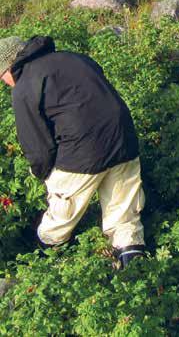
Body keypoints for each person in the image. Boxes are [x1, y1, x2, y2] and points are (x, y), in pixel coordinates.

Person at [0, 35, 146, 269]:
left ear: (9, 66)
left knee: (58, 221)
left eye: (1, 76)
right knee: (124, 215)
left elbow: (38, 147)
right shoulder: (74, 58)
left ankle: (51, 268)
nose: (5, 82)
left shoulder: (25, 86)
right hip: (123, 141)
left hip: (83, 153)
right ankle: (136, 272)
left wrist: (43, 174)